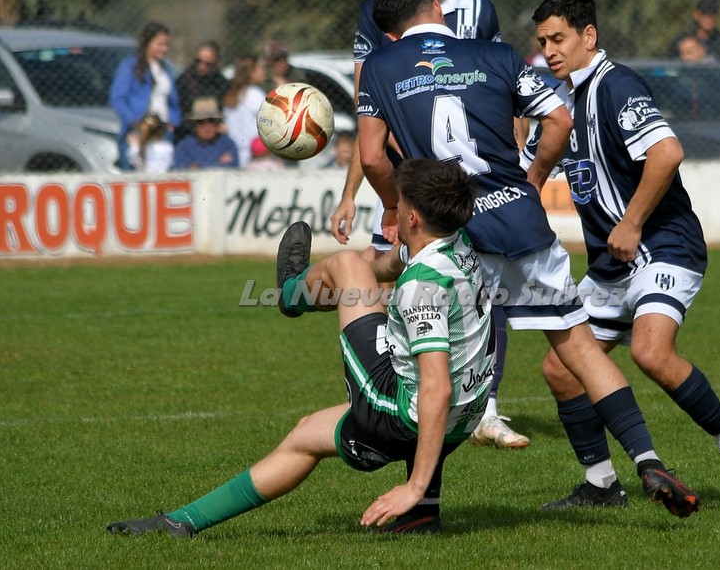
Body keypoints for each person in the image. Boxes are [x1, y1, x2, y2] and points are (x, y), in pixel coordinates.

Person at [357, 0, 701, 518]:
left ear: (388, 32)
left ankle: (422, 505)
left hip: (453, 230)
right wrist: (531, 179)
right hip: (520, 222)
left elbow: (374, 157)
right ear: (438, 11)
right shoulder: (496, 55)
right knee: (578, 348)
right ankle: (647, 459)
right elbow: (559, 120)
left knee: (433, 360)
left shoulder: (380, 67)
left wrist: (398, 209)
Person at [106, 158, 495, 537]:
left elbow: (435, 389)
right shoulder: (456, 243)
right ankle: (181, 523)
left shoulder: (420, 289)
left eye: (401, 203)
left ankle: (291, 291)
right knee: (306, 434)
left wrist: (412, 486)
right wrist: (356, 279)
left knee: (345, 266)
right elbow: (388, 266)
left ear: (412, 218)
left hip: (399, 418)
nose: (395, 208)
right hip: (465, 415)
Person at [528, 0, 720, 510]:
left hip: (662, 244)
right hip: (612, 266)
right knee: (561, 370)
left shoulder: (615, 85)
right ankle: (601, 484)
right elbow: (532, 167)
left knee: (651, 352)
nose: (549, 50)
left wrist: (632, 222)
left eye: (559, 38)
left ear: (589, 36)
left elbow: (666, 152)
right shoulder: (565, 102)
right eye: (542, 41)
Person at [334, 0, 526, 450]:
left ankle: (482, 405)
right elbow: (366, 105)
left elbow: (502, 86)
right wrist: (365, 192)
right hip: (403, 178)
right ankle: (386, 395)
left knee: (485, 290)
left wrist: (512, 154)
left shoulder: (479, 11)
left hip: (476, 186)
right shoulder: (384, 9)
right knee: (390, 280)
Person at [109, 21, 181, 170]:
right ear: (148, 43)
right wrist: (133, 120)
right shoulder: (130, 66)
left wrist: (173, 122)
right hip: (138, 131)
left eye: (166, 45)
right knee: (134, 172)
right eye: (160, 44)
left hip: (162, 132)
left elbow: (173, 102)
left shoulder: (165, 70)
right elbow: (117, 98)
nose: (164, 49)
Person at [667, 0, 720, 65]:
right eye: (704, 13)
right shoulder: (682, 42)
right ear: (696, 15)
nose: (708, 18)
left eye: (712, 14)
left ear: (717, 15)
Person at [174, 41, 229, 144]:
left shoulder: (221, 84)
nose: (202, 66)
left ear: (215, 63)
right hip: (187, 136)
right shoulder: (184, 81)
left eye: (208, 64)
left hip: (214, 137)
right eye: (198, 61)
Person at [223, 55, 267, 168]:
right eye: (261, 68)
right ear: (251, 73)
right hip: (256, 154)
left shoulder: (231, 95)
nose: (264, 72)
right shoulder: (256, 94)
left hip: (235, 152)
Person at [172, 97, 239, 170]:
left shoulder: (228, 144)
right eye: (201, 121)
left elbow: (233, 169)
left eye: (211, 121)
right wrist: (218, 164)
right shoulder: (184, 147)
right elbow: (180, 171)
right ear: (194, 124)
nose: (207, 127)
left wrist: (197, 167)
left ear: (217, 123)